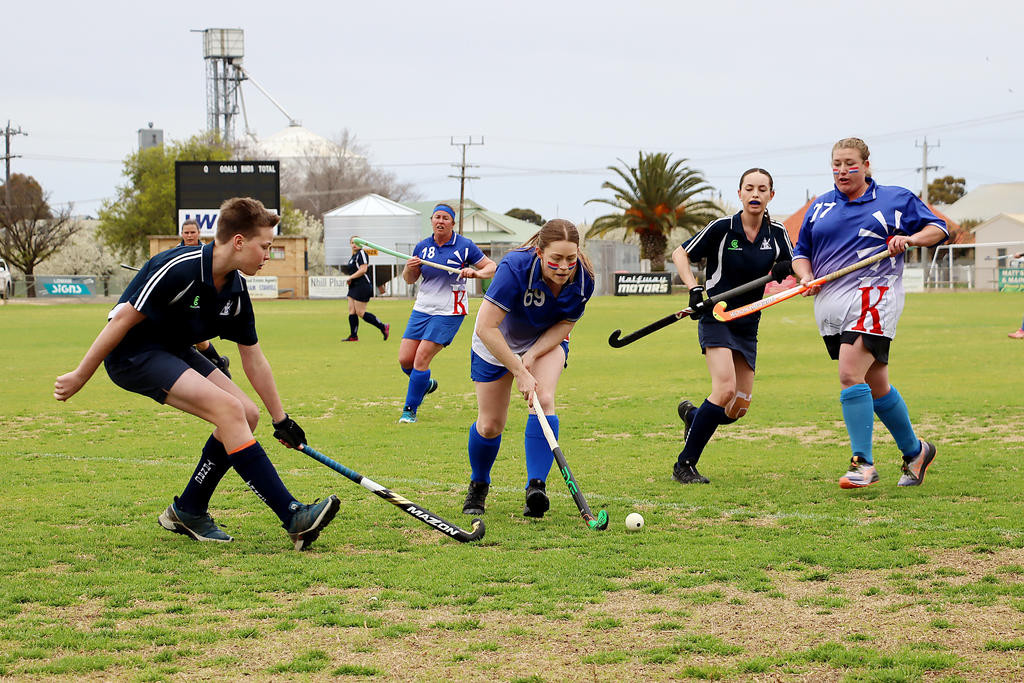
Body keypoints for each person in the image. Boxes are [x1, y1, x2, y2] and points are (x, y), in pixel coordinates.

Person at [54, 197, 340, 550]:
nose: (267, 255)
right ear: (239, 241)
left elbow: (253, 358)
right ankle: (292, 515)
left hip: (175, 350)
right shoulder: (178, 266)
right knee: (229, 410)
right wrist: (80, 375)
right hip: (132, 354)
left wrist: (280, 419)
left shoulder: (236, 289)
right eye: (265, 246)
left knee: (247, 414)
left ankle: (188, 510)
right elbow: (122, 319)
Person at [792, 137, 948, 489]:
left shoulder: (895, 199)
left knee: (850, 374)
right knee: (876, 385)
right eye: (836, 164)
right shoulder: (820, 207)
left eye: (850, 164)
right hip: (831, 304)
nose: (842, 170)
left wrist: (909, 239)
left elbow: (938, 228)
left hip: (875, 295)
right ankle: (916, 451)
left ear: (866, 165)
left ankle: (862, 463)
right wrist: (805, 276)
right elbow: (801, 252)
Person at [460, 219, 595, 519]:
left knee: (543, 399)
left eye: (570, 258)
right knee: (490, 425)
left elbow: (565, 325)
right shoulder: (514, 268)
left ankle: (536, 488)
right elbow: (486, 327)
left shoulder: (584, 278)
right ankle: (479, 483)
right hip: (496, 339)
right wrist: (519, 371)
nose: (564, 267)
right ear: (539, 252)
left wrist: (531, 356)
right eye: (556, 258)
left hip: (543, 340)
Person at [670, 169, 794, 484]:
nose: (755, 194)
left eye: (762, 189)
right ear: (739, 193)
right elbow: (680, 253)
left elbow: (798, 263)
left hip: (748, 322)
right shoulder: (723, 228)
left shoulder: (777, 233)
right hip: (718, 317)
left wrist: (789, 267)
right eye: (749, 188)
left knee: (738, 407)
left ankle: (694, 416)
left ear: (771, 195)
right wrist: (693, 288)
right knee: (724, 390)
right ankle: (684, 465)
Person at [397, 203, 496, 423]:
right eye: (437, 217)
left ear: (452, 223)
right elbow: (410, 279)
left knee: (421, 358)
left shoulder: (465, 246)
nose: (440, 221)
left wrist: (475, 273)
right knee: (405, 359)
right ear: (431, 221)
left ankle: (409, 411)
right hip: (422, 308)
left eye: (445, 218)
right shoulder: (422, 247)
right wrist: (409, 268)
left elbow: (491, 267)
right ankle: (425, 384)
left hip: (450, 310)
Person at [180, 218, 232, 378]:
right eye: (186, 232)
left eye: (192, 232)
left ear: (199, 233)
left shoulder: (207, 252)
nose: (189, 235)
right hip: (180, 303)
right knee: (189, 340)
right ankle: (215, 367)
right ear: (182, 234)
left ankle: (219, 366)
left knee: (199, 341)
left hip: (202, 299)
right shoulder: (174, 253)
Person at [341, 237, 389, 342]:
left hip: (362, 285)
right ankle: (353, 336)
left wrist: (351, 277)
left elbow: (363, 269)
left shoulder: (362, 253)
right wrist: (351, 280)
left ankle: (383, 326)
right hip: (354, 286)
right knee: (352, 311)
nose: (354, 244)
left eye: (357, 242)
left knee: (360, 312)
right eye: (352, 242)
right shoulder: (353, 257)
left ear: (361, 244)